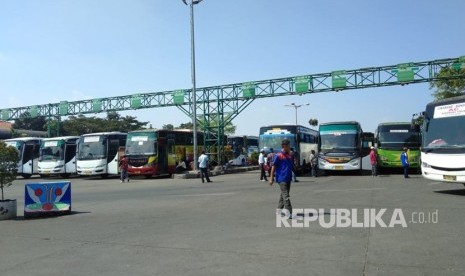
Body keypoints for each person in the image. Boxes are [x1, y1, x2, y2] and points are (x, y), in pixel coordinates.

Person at [269, 139, 294, 219]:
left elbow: (290, 166)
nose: (290, 147)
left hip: (288, 178)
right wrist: (271, 178)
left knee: (282, 195)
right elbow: (273, 167)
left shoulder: (289, 155)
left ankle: (279, 211)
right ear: (284, 146)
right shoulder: (278, 155)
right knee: (286, 196)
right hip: (281, 178)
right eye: (289, 145)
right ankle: (289, 212)